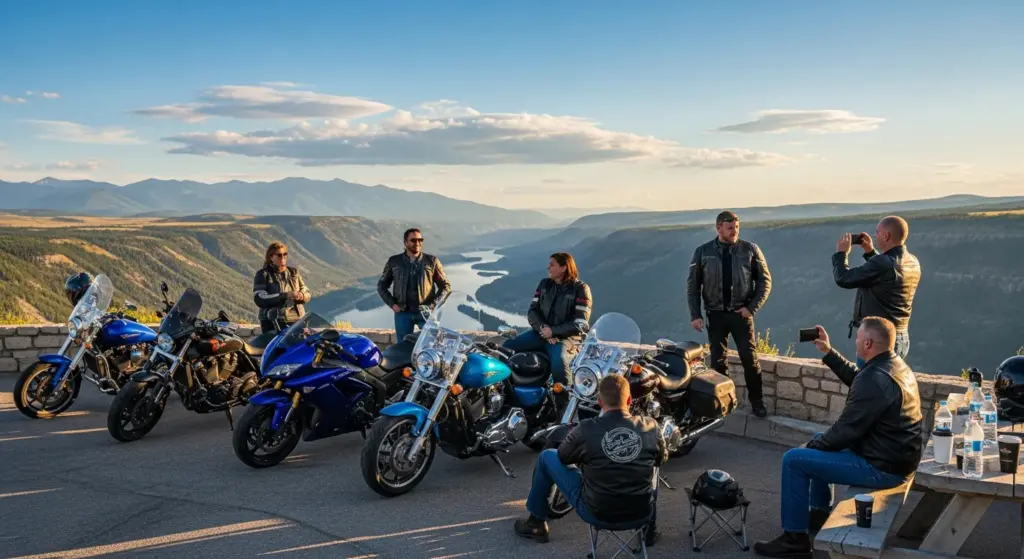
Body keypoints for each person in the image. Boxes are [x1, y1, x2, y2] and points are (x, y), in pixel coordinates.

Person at [753, 317, 923, 558]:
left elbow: (845, 432)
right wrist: (828, 352)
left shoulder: (875, 378)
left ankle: (795, 540)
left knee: (794, 460)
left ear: (867, 344)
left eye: (858, 339)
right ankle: (820, 514)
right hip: (893, 457)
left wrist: (811, 446)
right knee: (818, 440)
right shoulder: (893, 366)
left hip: (883, 467)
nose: (855, 343)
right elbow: (858, 380)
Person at [514, 374, 667, 545]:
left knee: (547, 456)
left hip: (596, 513)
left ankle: (536, 523)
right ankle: (649, 531)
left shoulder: (586, 428)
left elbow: (563, 457)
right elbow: (661, 459)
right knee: (652, 466)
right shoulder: (651, 426)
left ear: (600, 402)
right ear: (629, 400)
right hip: (641, 512)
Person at [687, 211, 773, 418]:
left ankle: (757, 402)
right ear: (718, 228)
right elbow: (693, 286)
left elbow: (765, 282)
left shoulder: (749, 250)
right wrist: (695, 314)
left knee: (749, 359)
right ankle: (721, 403)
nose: (734, 232)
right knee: (717, 361)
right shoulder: (703, 252)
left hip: (741, 314)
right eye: (730, 228)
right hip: (715, 314)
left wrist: (751, 308)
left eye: (736, 227)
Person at [832, 215, 921, 366]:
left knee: (870, 384)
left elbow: (844, 279)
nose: (875, 235)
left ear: (886, 236)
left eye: (877, 232)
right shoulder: (913, 261)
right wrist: (870, 252)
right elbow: (887, 274)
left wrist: (841, 254)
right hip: (900, 335)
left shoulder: (883, 263)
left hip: (878, 340)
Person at [503, 252, 592, 391]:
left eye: (552, 264)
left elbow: (581, 323)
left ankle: (563, 400)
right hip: (541, 333)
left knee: (559, 361)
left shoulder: (580, 289)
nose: (548, 267)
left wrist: (554, 332)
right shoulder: (544, 284)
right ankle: (506, 390)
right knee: (506, 347)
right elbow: (532, 311)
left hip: (567, 338)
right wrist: (544, 329)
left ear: (564, 267)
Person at [377, 228, 451, 341]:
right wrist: (392, 304)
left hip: (426, 313)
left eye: (420, 240)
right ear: (405, 242)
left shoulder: (432, 261)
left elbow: (446, 286)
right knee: (402, 348)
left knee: (431, 345)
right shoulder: (394, 261)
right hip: (403, 313)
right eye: (413, 240)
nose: (417, 243)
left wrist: (433, 305)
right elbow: (381, 285)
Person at [253, 242, 311, 334]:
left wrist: (302, 295)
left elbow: (306, 291)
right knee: (277, 348)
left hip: (297, 320)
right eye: (279, 255)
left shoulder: (294, 273)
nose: (283, 257)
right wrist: (285, 295)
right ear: (271, 257)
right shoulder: (263, 274)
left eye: (285, 254)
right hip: (273, 321)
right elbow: (259, 298)